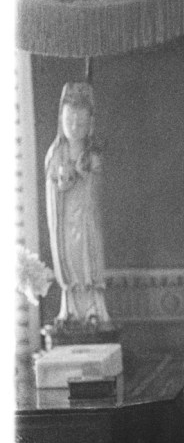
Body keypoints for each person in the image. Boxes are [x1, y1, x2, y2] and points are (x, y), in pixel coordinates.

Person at [45, 81, 111, 326]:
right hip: (64, 219)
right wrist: (61, 182)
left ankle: (94, 307)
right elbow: (52, 185)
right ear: (61, 120)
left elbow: (96, 183)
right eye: (69, 121)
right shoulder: (56, 152)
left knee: (88, 258)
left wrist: (86, 173)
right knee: (69, 260)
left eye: (80, 123)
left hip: (85, 218)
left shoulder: (92, 153)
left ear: (89, 124)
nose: (74, 127)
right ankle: (71, 309)